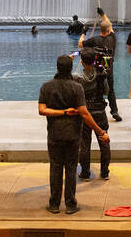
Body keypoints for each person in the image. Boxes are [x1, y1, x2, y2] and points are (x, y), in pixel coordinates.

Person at [38, 54, 109, 214]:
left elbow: (42, 110)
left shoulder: (46, 87)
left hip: (54, 134)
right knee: (70, 169)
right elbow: (84, 113)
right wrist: (100, 132)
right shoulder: (77, 88)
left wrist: (61, 112)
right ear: (71, 69)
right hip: (72, 134)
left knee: (55, 168)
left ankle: (54, 204)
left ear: (57, 68)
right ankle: (70, 204)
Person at [74, 48, 112, 180]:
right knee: (104, 141)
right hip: (100, 112)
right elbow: (107, 91)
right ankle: (105, 172)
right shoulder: (101, 75)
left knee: (85, 144)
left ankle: (85, 173)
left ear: (82, 62)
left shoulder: (77, 78)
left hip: (85, 114)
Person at [78, 8, 122, 121]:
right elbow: (110, 25)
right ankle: (114, 111)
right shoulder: (112, 39)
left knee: (96, 91)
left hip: (96, 71)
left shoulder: (94, 40)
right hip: (108, 70)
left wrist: (83, 32)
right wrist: (103, 14)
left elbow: (80, 44)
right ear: (108, 31)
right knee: (111, 91)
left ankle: (96, 109)